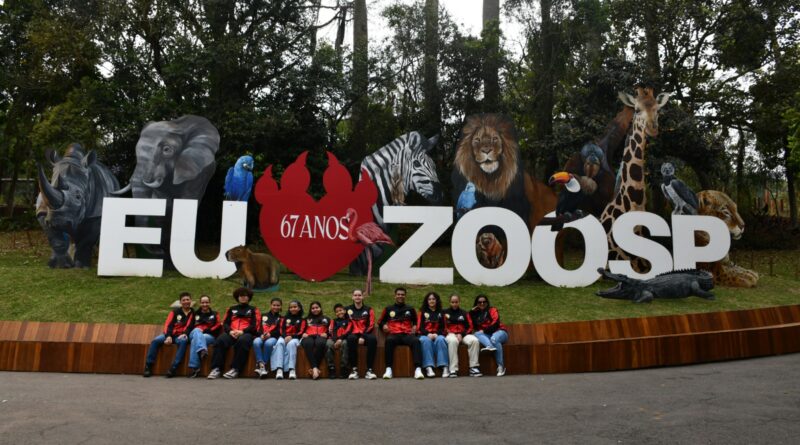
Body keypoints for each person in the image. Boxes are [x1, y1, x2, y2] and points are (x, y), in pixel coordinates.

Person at [208, 288, 261, 379]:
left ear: (249, 297)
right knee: (220, 340)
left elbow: (255, 325)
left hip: (246, 333)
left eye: (245, 296)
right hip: (232, 333)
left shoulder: (254, 309)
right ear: (237, 297)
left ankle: (235, 369)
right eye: (241, 296)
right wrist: (230, 331)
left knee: (243, 341)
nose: (243, 297)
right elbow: (225, 323)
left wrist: (242, 331)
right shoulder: (231, 309)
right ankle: (216, 369)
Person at [144, 292, 194, 377]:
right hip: (170, 334)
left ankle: (173, 368)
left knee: (183, 341)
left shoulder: (193, 313)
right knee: (155, 341)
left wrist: (185, 334)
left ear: (191, 301)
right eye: (184, 300)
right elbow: (168, 325)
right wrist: (168, 336)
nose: (186, 301)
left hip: (181, 336)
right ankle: (148, 366)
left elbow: (190, 326)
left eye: (187, 299)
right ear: (180, 302)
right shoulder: (174, 312)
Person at [378, 287, 424, 380]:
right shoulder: (388, 309)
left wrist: (415, 326)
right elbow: (380, 321)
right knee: (389, 341)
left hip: (407, 334)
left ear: (405, 296)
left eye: (402, 294)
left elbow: (416, 321)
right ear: (395, 296)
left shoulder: (410, 309)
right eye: (398, 294)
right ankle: (388, 369)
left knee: (416, 341)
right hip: (394, 334)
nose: (400, 296)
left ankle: (418, 369)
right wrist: (383, 326)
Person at [443, 294, 481, 377]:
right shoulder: (445, 312)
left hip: (463, 334)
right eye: (452, 302)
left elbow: (470, 326)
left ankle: (473, 368)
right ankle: (453, 369)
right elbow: (443, 326)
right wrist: (450, 333)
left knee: (474, 340)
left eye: (456, 302)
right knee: (452, 341)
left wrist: (461, 334)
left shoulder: (464, 313)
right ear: (449, 302)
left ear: (459, 302)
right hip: (450, 334)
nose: (454, 304)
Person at [470, 294, 509, 377]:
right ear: (476, 304)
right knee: (477, 334)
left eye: (484, 302)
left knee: (494, 339)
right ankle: (489, 345)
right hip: (488, 335)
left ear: (487, 302)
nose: (482, 304)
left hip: (500, 332)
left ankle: (501, 366)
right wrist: (472, 312)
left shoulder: (492, 310)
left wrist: (484, 330)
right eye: (479, 302)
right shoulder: (476, 314)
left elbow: (496, 323)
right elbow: (471, 324)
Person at [344, 289, 378, 380]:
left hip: (365, 333)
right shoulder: (347, 309)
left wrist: (363, 336)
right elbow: (345, 323)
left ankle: (369, 370)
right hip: (353, 333)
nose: (357, 297)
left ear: (363, 297)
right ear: (352, 297)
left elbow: (371, 324)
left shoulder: (369, 309)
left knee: (373, 340)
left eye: (359, 295)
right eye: (355, 295)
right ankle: (354, 370)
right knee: (350, 339)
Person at [187, 294, 222, 378]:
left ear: (210, 303)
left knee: (194, 341)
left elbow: (218, 325)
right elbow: (189, 326)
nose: (205, 304)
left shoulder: (215, 314)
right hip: (194, 333)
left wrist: (206, 330)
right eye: (203, 302)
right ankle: (202, 348)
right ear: (200, 303)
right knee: (197, 330)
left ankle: (195, 368)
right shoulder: (194, 314)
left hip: (209, 336)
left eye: (206, 302)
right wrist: (185, 334)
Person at [417, 291, 449, 378]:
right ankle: (428, 367)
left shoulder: (441, 312)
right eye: (429, 299)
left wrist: (437, 334)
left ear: (437, 300)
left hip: (438, 334)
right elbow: (420, 327)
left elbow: (444, 327)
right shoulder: (422, 312)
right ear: (427, 301)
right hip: (425, 335)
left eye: (433, 299)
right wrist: (427, 334)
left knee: (441, 339)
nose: (431, 301)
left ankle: (444, 366)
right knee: (425, 341)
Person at [253, 297, 284, 379]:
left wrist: (270, 334)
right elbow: (258, 327)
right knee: (256, 342)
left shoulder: (281, 318)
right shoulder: (263, 315)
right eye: (274, 305)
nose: (276, 307)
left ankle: (261, 366)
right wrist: (261, 335)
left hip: (273, 337)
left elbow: (280, 331)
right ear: (270, 305)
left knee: (268, 343)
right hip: (261, 336)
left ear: (281, 306)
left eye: (278, 305)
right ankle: (262, 365)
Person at [301, 301, 330, 380]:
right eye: (313, 308)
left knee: (320, 343)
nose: (315, 309)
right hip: (308, 336)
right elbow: (300, 330)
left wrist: (327, 334)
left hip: (321, 336)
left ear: (320, 308)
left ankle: (314, 368)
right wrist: (303, 334)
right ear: (310, 310)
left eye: (317, 307)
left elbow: (331, 330)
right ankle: (315, 368)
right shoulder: (306, 319)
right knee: (308, 343)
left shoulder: (326, 319)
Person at [281, 300, 306, 380]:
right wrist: (285, 336)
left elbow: (301, 332)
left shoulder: (302, 320)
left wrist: (291, 336)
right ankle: (280, 369)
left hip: (296, 339)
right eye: (291, 307)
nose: (293, 309)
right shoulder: (285, 318)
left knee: (291, 344)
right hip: (285, 337)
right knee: (279, 343)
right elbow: (282, 329)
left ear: (299, 308)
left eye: (295, 307)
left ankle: (292, 369)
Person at [326, 303, 351, 379]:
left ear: (344, 311)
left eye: (340, 310)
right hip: (334, 338)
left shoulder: (349, 321)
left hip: (344, 338)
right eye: (337, 311)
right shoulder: (333, 321)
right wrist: (335, 340)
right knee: (328, 343)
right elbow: (332, 331)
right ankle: (331, 368)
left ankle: (344, 368)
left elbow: (348, 331)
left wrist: (340, 339)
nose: (339, 312)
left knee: (345, 343)